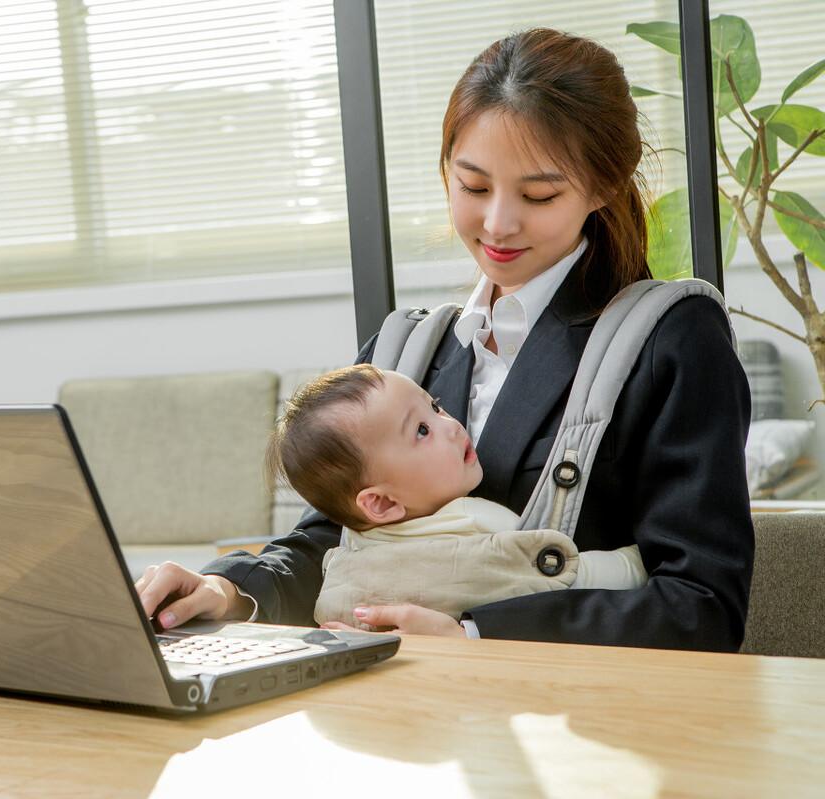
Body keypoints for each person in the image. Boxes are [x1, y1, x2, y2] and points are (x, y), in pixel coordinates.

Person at [135, 28, 753, 650]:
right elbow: (334, 545)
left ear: (605, 185)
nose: (498, 224)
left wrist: (475, 636)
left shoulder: (668, 340)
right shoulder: (406, 349)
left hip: (573, 705)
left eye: (539, 194)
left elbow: (701, 608)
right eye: (473, 187)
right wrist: (229, 591)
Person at [266, 363, 646, 626]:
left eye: (435, 407)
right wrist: (641, 562)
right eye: (421, 431)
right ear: (381, 503)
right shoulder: (474, 519)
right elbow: (564, 574)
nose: (450, 426)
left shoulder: (347, 557)